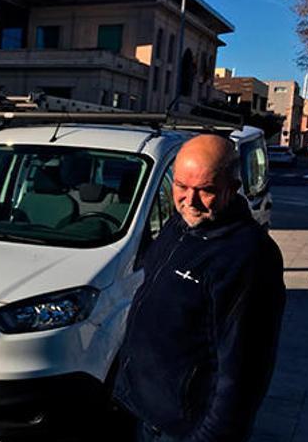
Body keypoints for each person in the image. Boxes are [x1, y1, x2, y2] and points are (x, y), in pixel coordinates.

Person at [111, 134, 285, 441]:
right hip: (140, 408)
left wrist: (209, 437)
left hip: (182, 429)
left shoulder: (248, 257)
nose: (188, 201)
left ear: (233, 187)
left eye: (205, 190)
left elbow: (244, 370)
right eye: (180, 186)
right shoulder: (178, 226)